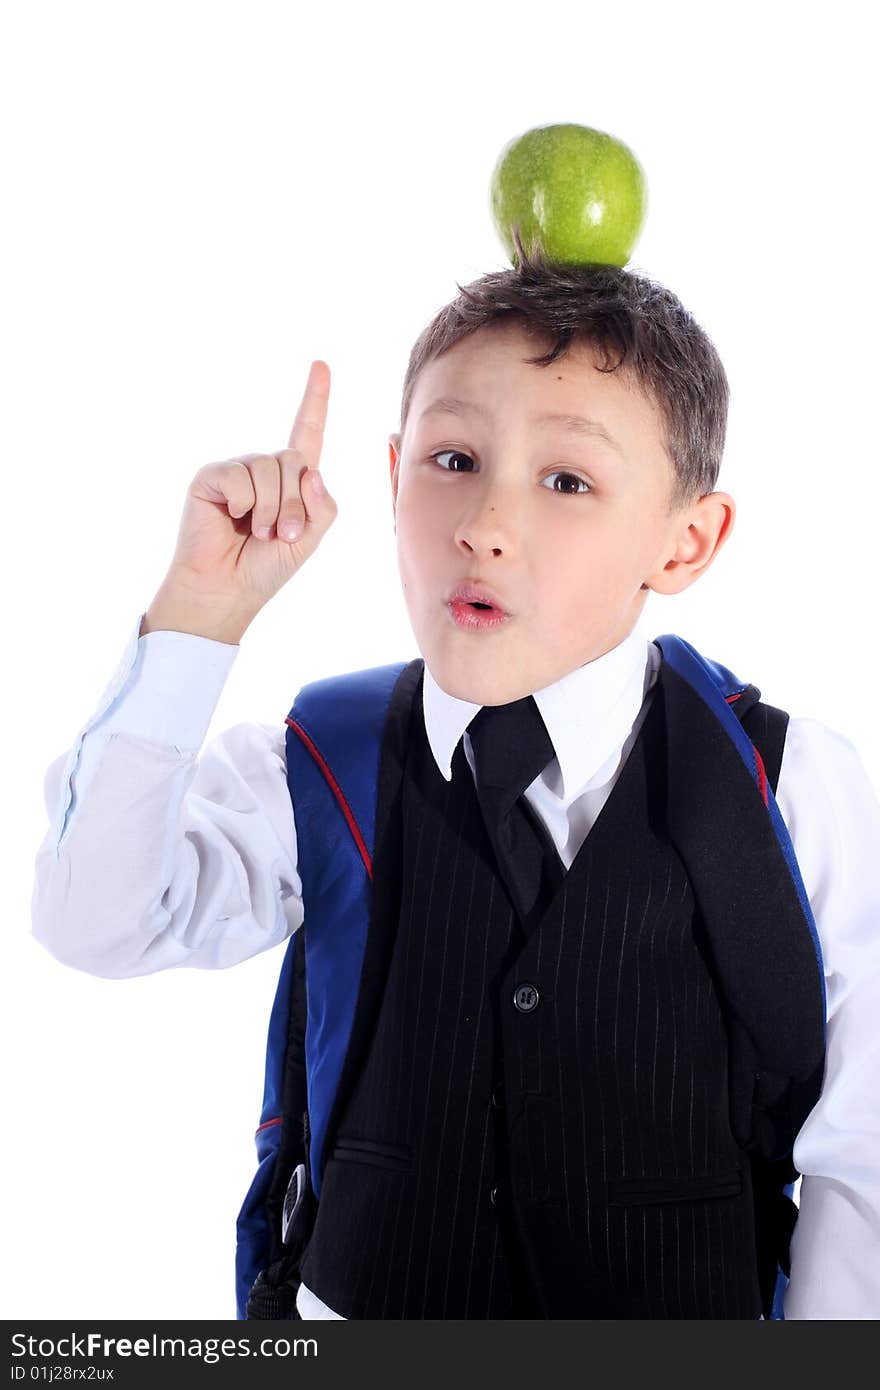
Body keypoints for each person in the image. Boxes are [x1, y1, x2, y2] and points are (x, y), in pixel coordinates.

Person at [31, 245, 880, 1319]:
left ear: (685, 541)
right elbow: (92, 919)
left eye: (566, 479)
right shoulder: (323, 759)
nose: (483, 524)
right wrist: (200, 613)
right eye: (451, 460)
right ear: (392, 480)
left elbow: (861, 1148)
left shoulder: (787, 785)